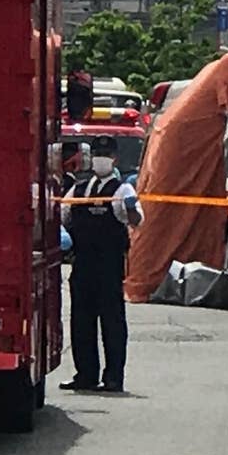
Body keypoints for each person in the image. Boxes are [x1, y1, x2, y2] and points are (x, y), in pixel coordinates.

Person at [60, 134, 143, 393]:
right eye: (97, 154)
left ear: (114, 158)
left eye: (105, 155)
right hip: (83, 265)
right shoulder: (80, 188)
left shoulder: (123, 189)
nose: (101, 160)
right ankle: (85, 374)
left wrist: (130, 208)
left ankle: (113, 377)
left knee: (112, 322)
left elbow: (137, 220)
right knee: (81, 321)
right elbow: (63, 215)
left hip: (109, 265)